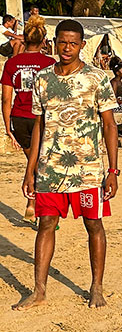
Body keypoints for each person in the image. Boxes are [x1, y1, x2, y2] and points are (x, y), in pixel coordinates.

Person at [15, 19, 119, 310]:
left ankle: (96, 287)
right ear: (54, 42)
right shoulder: (43, 79)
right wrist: (30, 169)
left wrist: (112, 170)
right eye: (62, 42)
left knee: (93, 224)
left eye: (73, 43)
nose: (67, 48)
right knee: (45, 224)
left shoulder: (97, 78)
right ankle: (39, 291)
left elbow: (110, 126)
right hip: (50, 169)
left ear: (82, 45)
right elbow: (39, 124)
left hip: (88, 170)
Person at [1, 16, 56, 223]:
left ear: (24, 39)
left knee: (33, 161)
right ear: (43, 41)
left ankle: (32, 204)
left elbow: (6, 98)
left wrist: (8, 127)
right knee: (41, 164)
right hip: (41, 118)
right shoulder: (50, 64)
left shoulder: (12, 63)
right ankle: (37, 206)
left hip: (19, 117)